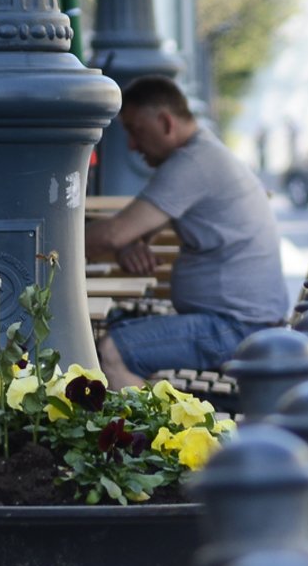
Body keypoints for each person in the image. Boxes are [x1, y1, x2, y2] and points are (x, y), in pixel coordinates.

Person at [84, 76, 289, 388]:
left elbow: (115, 232)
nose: (132, 145)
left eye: (136, 131)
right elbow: (136, 228)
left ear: (166, 122)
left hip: (235, 329)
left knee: (112, 351)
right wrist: (128, 244)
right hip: (239, 323)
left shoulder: (192, 163)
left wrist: (54, 244)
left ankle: (158, 434)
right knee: (120, 329)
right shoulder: (203, 153)